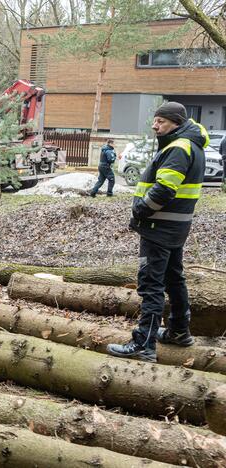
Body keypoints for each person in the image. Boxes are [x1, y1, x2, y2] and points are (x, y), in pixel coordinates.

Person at [107, 102, 208, 362]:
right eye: (155, 120)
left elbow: (165, 188)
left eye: (160, 121)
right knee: (175, 279)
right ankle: (178, 331)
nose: (155, 125)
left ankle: (144, 343)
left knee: (151, 284)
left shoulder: (178, 148)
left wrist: (141, 209)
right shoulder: (190, 144)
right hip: (176, 227)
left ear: (175, 122)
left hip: (158, 227)